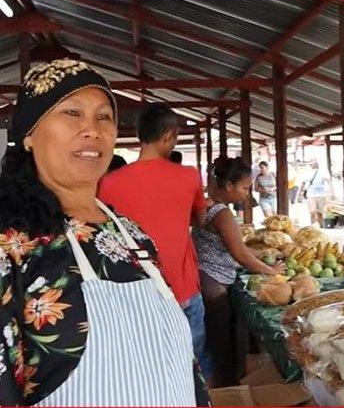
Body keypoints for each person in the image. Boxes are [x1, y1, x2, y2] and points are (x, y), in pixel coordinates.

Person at [0, 59, 205, 406]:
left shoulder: (131, 235)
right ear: (29, 135)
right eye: (71, 113)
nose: (92, 129)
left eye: (104, 116)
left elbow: (185, 366)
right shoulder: (13, 246)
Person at [98, 103, 210, 377]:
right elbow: (200, 220)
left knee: (146, 371)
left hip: (135, 295)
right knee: (191, 365)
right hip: (182, 288)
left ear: (140, 135)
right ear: (170, 135)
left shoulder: (108, 183)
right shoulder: (188, 176)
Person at [192, 157, 284, 388]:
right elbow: (240, 255)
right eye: (244, 188)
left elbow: (235, 246)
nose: (246, 194)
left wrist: (263, 254)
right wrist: (270, 271)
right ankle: (223, 392)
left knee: (216, 342)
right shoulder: (221, 213)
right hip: (213, 284)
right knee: (220, 346)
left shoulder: (207, 205)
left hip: (205, 279)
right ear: (229, 185)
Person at [298, 160, 333, 227]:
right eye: (311, 163)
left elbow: (329, 181)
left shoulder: (323, 171)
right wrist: (299, 194)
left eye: (313, 163)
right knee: (312, 211)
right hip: (311, 194)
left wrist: (331, 192)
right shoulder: (307, 172)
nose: (312, 165)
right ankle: (313, 226)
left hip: (321, 194)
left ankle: (321, 226)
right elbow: (303, 183)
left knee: (320, 212)